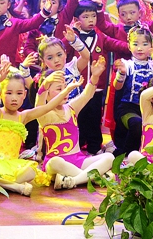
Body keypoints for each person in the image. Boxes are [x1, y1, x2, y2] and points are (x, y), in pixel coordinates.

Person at [0, 60, 75, 196]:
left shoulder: (24, 116)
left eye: (19, 93)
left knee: (31, 172)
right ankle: (13, 186)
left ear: (24, 95)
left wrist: (67, 90)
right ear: (0, 94)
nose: (14, 98)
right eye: (9, 93)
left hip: (12, 165)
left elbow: (48, 107)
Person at [37, 58, 115, 190]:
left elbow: (87, 95)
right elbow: (39, 102)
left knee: (109, 157)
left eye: (65, 87)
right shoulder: (44, 114)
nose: (65, 92)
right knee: (54, 162)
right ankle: (95, 178)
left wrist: (95, 76)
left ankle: (74, 180)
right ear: (47, 94)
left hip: (78, 160)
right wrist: (45, 84)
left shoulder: (71, 108)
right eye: (59, 89)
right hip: (59, 163)